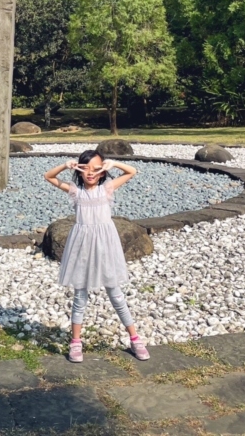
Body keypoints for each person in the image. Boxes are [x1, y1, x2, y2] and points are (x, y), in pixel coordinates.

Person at [44, 150, 149, 362]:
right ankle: (75, 342)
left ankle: (135, 339)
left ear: (102, 172)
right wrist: (66, 165)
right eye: (86, 168)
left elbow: (132, 171)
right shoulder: (75, 191)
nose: (90, 173)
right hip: (82, 247)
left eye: (96, 168)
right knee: (80, 296)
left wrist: (113, 163)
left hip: (105, 247)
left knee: (116, 294)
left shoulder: (107, 188)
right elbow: (49, 177)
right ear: (80, 170)